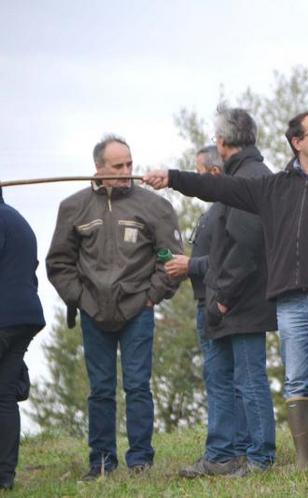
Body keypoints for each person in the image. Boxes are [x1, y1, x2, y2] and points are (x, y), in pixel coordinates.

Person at [142, 109, 308, 469]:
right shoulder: (273, 187)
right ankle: (304, 461)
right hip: (290, 302)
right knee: (296, 381)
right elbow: (218, 186)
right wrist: (173, 177)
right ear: (297, 142)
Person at [47, 135, 182, 479]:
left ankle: (140, 461)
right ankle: (101, 462)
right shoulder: (73, 207)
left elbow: (171, 259)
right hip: (93, 312)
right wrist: (79, 298)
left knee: (138, 386)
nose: (127, 172)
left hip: (138, 309)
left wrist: (152, 296)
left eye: (130, 165)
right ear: (99, 168)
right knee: (101, 390)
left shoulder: (155, 207)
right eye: (118, 166)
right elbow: (59, 263)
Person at [171, 109, 278, 477]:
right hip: (226, 301)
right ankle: (221, 455)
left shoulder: (251, 179)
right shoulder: (240, 177)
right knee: (219, 380)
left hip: (241, 302)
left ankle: (260, 458)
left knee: (249, 381)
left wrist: (222, 298)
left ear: (221, 141)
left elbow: (246, 247)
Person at [0, 186, 46, 491]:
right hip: (24, 317)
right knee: (3, 397)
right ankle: (4, 475)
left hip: (4, 318)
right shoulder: (16, 218)